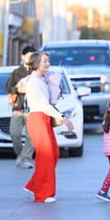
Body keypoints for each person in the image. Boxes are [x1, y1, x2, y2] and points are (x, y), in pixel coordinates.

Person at [24, 51, 74, 203]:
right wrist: (63, 118)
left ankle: (34, 185)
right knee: (45, 157)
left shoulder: (41, 79)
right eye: (44, 61)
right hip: (38, 119)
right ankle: (43, 194)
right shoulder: (34, 81)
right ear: (36, 63)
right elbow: (44, 106)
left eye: (48, 61)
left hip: (43, 119)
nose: (47, 64)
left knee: (53, 154)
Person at [5, 46, 36, 169]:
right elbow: (8, 87)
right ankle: (21, 155)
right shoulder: (17, 72)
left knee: (31, 136)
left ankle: (26, 158)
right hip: (18, 108)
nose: (30, 59)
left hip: (32, 109)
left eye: (32, 56)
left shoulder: (36, 72)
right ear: (22, 57)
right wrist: (18, 89)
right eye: (28, 56)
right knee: (14, 133)